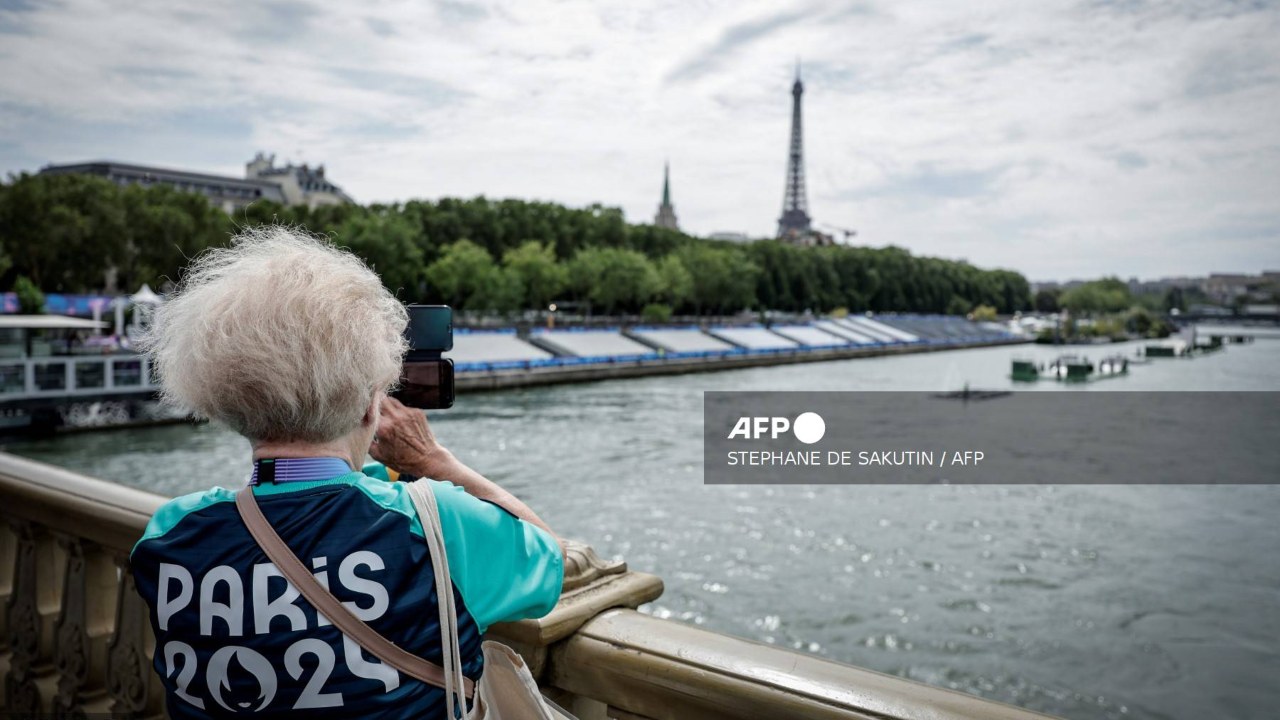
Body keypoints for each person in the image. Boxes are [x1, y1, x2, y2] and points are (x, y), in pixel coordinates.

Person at [130, 227, 564, 719]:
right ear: (368, 405)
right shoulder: (435, 523)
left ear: (227, 406)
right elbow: (555, 563)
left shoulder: (170, 533)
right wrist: (432, 462)